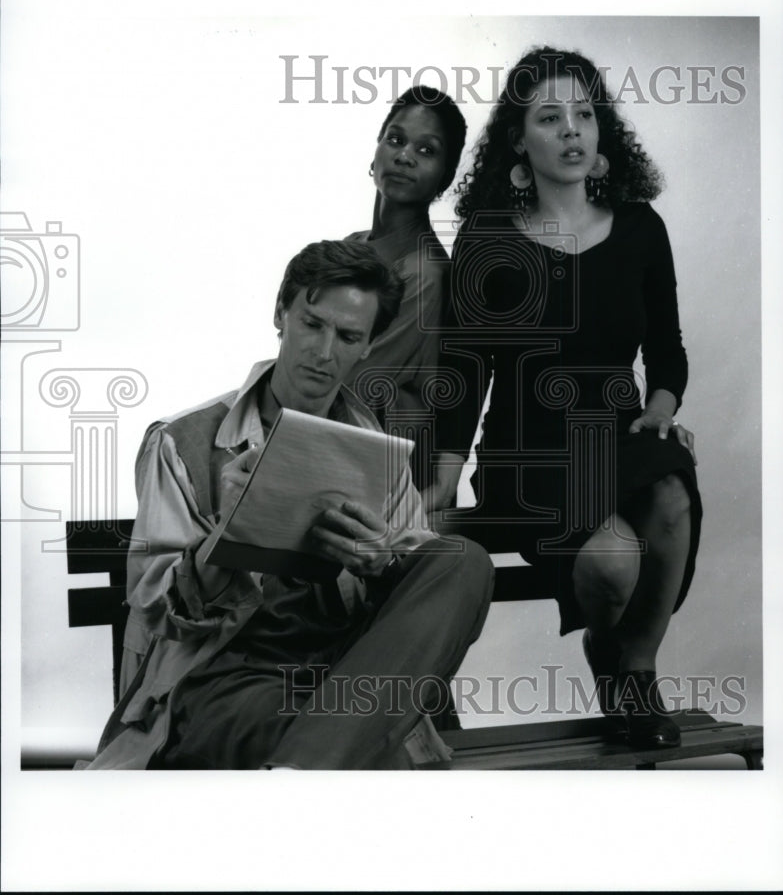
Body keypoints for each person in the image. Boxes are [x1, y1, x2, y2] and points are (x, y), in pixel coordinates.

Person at [86, 239, 493, 770]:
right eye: (312, 324)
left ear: (368, 346)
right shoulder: (183, 443)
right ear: (281, 313)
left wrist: (383, 564)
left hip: (341, 677)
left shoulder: (379, 454)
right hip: (223, 678)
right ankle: (315, 766)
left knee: (462, 561)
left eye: (348, 336)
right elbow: (155, 608)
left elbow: (414, 610)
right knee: (367, 754)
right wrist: (224, 542)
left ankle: (300, 773)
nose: (324, 353)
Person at [425, 47, 702, 749]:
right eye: (550, 117)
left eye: (584, 114)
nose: (572, 130)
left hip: (620, 436)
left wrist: (662, 409)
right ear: (518, 140)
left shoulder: (641, 228)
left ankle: (634, 672)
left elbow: (665, 352)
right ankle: (607, 647)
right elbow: (463, 368)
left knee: (669, 486)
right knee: (610, 569)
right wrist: (445, 471)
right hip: (530, 451)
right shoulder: (488, 237)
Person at [345, 86, 467, 492]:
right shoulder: (351, 246)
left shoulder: (424, 272)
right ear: (374, 153)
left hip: (388, 475)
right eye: (395, 140)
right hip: (338, 437)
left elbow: (351, 383)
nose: (404, 156)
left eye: (426, 150)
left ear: (444, 180)